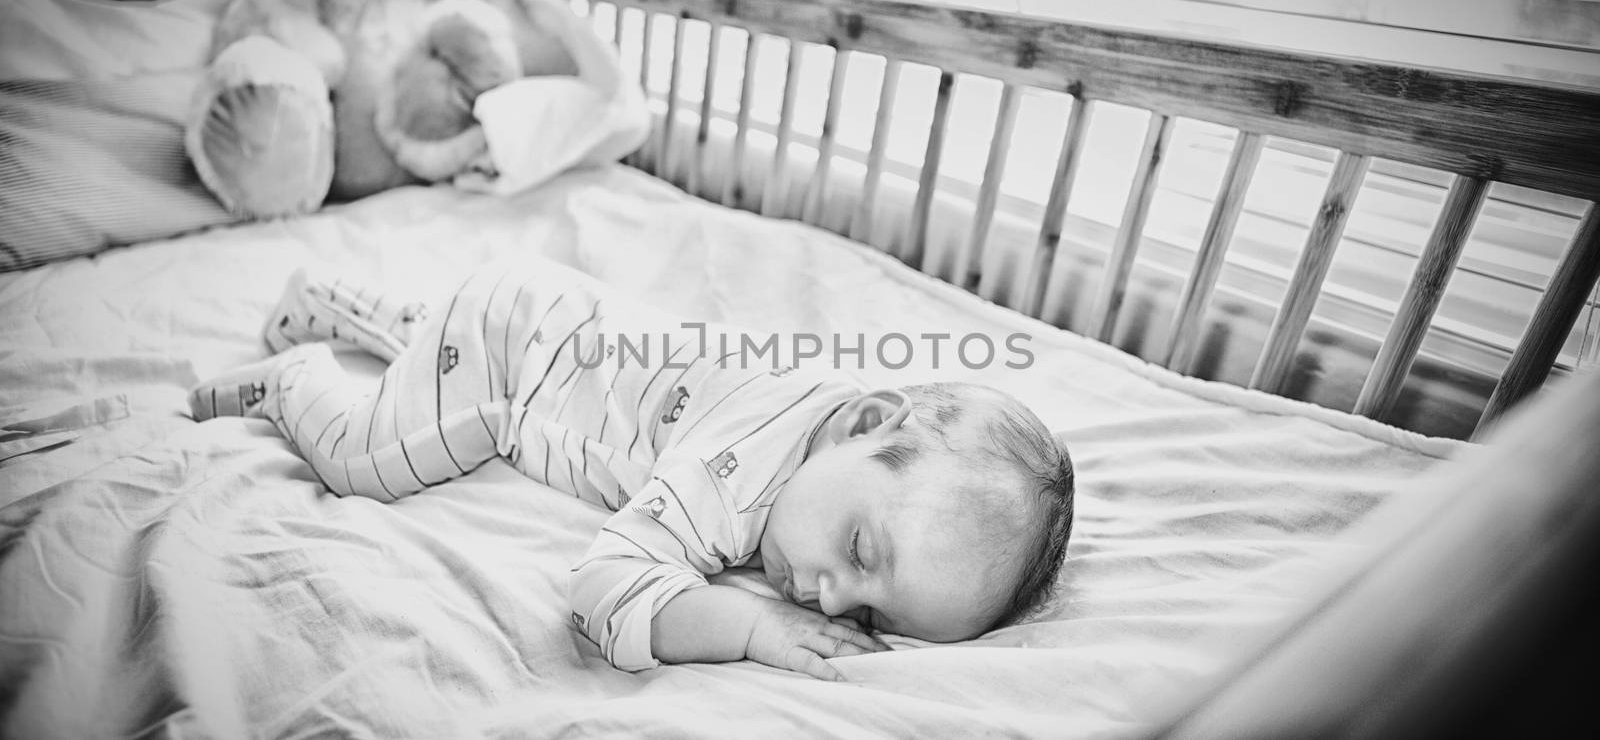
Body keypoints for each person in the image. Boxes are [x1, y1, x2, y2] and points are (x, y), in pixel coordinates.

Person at [189, 259, 1076, 680]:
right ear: (867, 423)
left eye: (874, 611)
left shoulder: (840, 428)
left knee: (436, 347)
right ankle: (297, 380)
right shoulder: (736, 473)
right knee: (367, 461)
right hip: (513, 361)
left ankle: (340, 300)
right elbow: (603, 587)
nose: (832, 599)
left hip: (540, 306)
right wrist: (749, 626)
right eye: (858, 547)